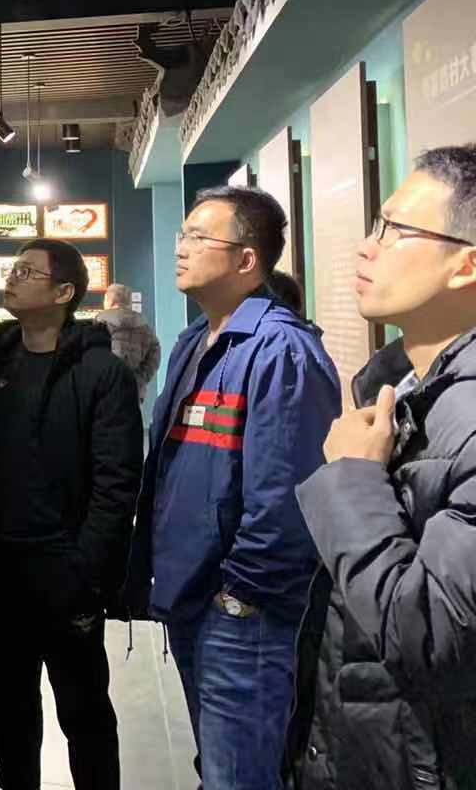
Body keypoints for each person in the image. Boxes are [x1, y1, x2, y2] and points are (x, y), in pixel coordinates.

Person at [124, 186, 340, 790]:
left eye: (199, 237)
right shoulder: (196, 340)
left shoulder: (281, 350)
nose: (181, 248)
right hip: (192, 597)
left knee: (239, 774)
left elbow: (284, 496)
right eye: (183, 234)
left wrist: (241, 597)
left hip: (241, 612)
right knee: (218, 765)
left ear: (247, 259)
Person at [287, 146, 476, 789]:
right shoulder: (401, 386)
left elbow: (431, 637)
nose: (366, 248)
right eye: (375, 225)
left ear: (466, 264)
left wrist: (353, 478)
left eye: (395, 230)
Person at [0, 239, 143, 790]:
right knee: (10, 715)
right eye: (14, 268)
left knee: (84, 713)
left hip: (65, 574)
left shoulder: (100, 372)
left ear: (64, 292)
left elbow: (116, 484)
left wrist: (84, 569)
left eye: (27, 271)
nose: (12, 277)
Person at [96, 282, 161, 402]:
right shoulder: (145, 327)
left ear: (110, 301)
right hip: (134, 392)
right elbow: (154, 356)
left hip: (103, 392)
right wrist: (140, 379)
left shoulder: (99, 324)